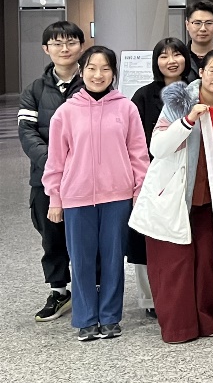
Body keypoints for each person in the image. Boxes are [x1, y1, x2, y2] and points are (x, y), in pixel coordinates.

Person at [130, 49, 213, 344]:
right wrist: (189, 120)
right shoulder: (179, 102)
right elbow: (158, 147)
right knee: (174, 266)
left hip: (212, 200)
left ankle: (208, 323)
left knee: (208, 264)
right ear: (201, 72)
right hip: (174, 195)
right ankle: (178, 328)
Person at [43, 46, 149, 341]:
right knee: (81, 260)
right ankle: (86, 318)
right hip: (76, 198)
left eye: (105, 69)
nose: (98, 75)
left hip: (117, 197)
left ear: (113, 73)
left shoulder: (126, 108)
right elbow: (55, 160)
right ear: (81, 71)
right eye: (91, 68)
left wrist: (139, 191)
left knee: (114, 259)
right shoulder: (66, 112)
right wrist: (55, 198)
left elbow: (138, 154)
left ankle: (111, 317)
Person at [19, 21, 85, 321]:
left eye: (71, 42)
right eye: (57, 43)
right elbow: (27, 132)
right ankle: (59, 291)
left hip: (86, 176)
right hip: (45, 177)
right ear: (46, 49)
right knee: (51, 235)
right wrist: (54, 162)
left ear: (80, 46)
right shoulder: (34, 89)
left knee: (88, 234)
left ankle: (93, 288)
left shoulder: (92, 82)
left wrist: (78, 163)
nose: (64, 48)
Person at [129, 38, 198, 317]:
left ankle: (185, 296)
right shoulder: (143, 95)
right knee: (149, 238)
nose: (171, 61)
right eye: (163, 56)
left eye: (177, 54)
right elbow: (135, 141)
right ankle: (150, 299)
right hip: (152, 174)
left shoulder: (196, 91)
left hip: (188, 174)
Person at [184, 0, 213, 65]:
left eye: (209, 23)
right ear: (187, 25)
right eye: (197, 23)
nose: (203, 29)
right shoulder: (180, 58)